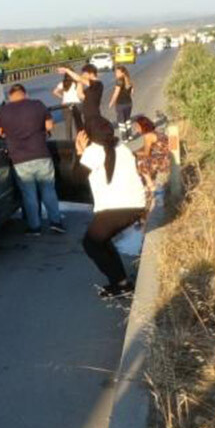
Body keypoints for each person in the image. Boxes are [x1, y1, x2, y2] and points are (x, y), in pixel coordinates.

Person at [76, 116, 147, 297]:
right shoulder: (119, 145)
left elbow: (76, 177)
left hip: (118, 206)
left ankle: (122, 285)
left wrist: (79, 152)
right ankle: (121, 282)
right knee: (102, 241)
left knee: (91, 243)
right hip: (133, 204)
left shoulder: (94, 150)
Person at [0, 83, 65, 235]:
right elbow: (49, 126)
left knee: (29, 194)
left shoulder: (3, 110)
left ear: (10, 97)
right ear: (25, 94)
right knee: (48, 190)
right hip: (41, 154)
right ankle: (56, 222)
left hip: (19, 159)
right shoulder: (37, 105)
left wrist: (10, 134)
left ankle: (35, 227)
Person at [131, 114, 172, 203]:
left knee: (141, 163)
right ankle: (149, 183)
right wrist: (136, 152)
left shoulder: (148, 136)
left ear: (143, 126)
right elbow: (145, 148)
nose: (136, 129)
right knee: (142, 159)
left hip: (165, 161)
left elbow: (146, 153)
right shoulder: (154, 132)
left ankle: (151, 186)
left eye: (137, 127)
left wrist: (134, 154)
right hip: (168, 157)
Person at [51, 71, 84, 136]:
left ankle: (69, 142)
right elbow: (80, 95)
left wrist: (62, 96)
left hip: (66, 105)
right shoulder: (77, 83)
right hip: (76, 104)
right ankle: (80, 140)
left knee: (68, 126)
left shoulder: (63, 83)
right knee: (78, 124)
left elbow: (54, 92)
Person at [110, 66, 135, 136]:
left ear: (122, 73)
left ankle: (124, 137)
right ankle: (130, 136)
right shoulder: (129, 80)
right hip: (129, 103)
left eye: (118, 72)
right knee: (127, 119)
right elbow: (132, 92)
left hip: (120, 104)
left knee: (121, 121)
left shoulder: (119, 81)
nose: (116, 73)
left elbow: (116, 93)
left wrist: (111, 103)